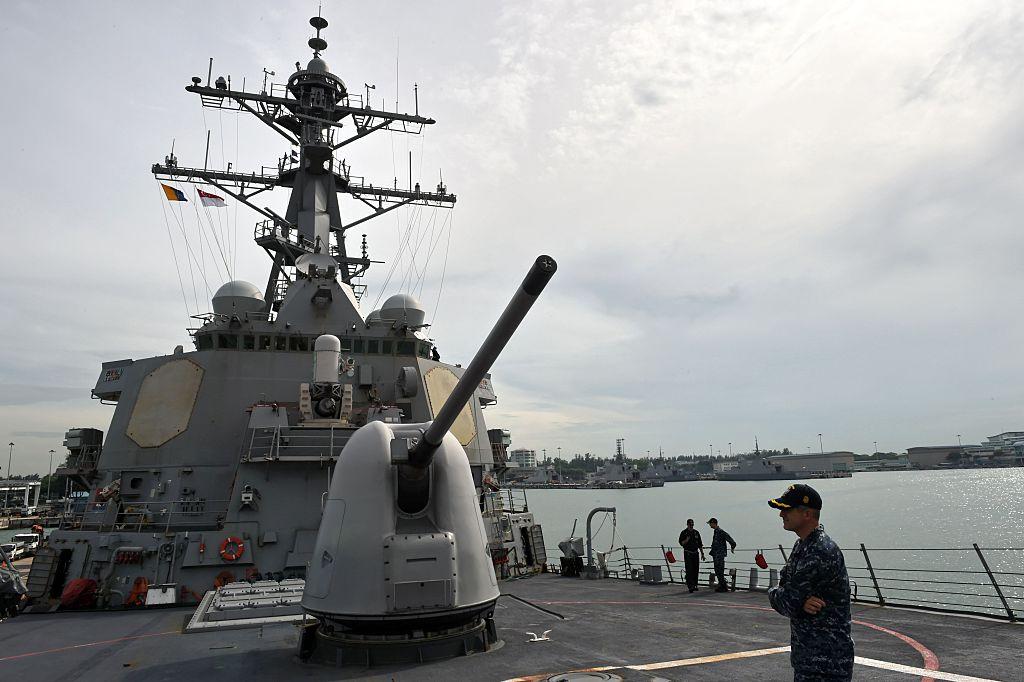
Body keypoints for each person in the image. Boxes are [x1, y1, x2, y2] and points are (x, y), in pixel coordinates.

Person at [767, 484, 854, 681]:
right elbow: (787, 592)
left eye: (787, 509)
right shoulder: (803, 545)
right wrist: (795, 599)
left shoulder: (819, 551)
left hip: (827, 662)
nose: (781, 514)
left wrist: (775, 593)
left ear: (806, 514)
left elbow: (788, 600)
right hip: (809, 658)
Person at [706, 518, 736, 592]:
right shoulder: (716, 532)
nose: (709, 525)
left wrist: (732, 546)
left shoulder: (720, 531)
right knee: (717, 571)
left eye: (710, 523)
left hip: (719, 555)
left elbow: (729, 539)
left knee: (719, 571)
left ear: (713, 523)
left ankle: (723, 587)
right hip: (716, 554)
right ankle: (722, 585)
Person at [677, 518, 705, 592]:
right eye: (690, 524)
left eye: (692, 524)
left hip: (695, 553)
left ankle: (695, 584)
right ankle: (690, 586)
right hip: (688, 553)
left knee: (696, 569)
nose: (691, 526)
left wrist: (702, 554)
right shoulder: (684, 533)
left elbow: (700, 544)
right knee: (689, 570)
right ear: (687, 524)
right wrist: (687, 540)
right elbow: (681, 543)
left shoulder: (696, 533)